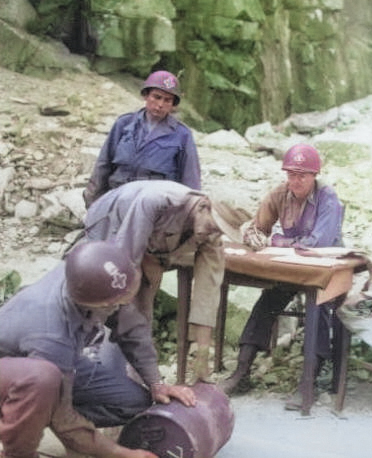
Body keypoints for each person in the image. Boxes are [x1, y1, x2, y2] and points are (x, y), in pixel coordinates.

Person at [0, 241, 196, 458]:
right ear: (103, 305)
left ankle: (54, 423)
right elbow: (63, 418)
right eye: (121, 301)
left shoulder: (90, 281)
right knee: (48, 392)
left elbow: (132, 328)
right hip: (15, 378)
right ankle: (21, 432)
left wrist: (156, 383)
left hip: (59, 363)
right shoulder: (51, 335)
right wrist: (122, 454)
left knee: (135, 403)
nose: (127, 303)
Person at [219, 143, 344, 410]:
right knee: (267, 301)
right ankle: (241, 373)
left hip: (326, 269)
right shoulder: (280, 194)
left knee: (317, 306)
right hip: (294, 267)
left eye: (302, 175)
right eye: (291, 174)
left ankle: (309, 380)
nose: (295, 181)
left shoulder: (328, 198)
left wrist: (278, 241)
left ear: (314, 176)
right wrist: (257, 236)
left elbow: (318, 243)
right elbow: (257, 228)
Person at [82, 179, 245, 381]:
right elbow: (126, 261)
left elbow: (207, 292)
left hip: (151, 245)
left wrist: (203, 353)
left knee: (142, 307)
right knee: (108, 293)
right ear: (203, 206)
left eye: (220, 231)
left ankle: (134, 375)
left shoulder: (211, 234)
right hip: (110, 219)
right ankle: (90, 362)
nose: (214, 234)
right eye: (214, 226)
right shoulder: (158, 202)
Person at [83, 70, 201, 208]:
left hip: (155, 206)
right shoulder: (124, 124)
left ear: (173, 105)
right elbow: (103, 165)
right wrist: (92, 202)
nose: (160, 104)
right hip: (117, 197)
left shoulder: (182, 135)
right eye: (156, 97)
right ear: (146, 96)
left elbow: (190, 178)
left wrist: (189, 212)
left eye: (167, 100)